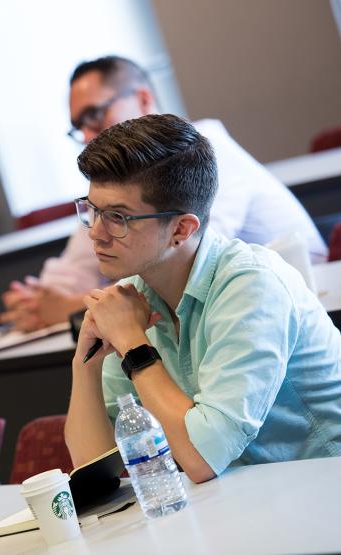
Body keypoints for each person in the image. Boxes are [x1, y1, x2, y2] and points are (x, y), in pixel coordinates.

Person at [64, 114, 341, 483]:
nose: (95, 234)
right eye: (93, 210)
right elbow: (97, 471)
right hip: (245, 504)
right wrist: (87, 364)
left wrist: (133, 342)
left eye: (118, 217)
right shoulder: (135, 296)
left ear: (181, 229)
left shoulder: (251, 287)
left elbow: (201, 459)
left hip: (322, 497)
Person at [0, 56, 327, 332]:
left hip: (300, 305)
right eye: (78, 126)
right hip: (208, 319)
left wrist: (71, 307)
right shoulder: (123, 185)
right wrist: (39, 302)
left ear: (143, 100)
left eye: (95, 115)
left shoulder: (200, 154)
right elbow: (78, 264)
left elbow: (183, 261)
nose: (86, 134)